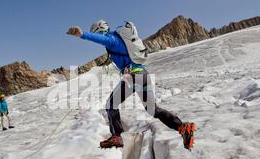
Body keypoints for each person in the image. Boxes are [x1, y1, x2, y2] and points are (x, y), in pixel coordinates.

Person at [67, 20, 196, 150]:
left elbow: (102, 39)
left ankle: (116, 136)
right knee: (153, 110)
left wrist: (83, 34)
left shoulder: (111, 39)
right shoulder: (122, 41)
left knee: (110, 104)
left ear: (99, 30)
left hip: (132, 77)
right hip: (143, 75)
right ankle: (182, 127)